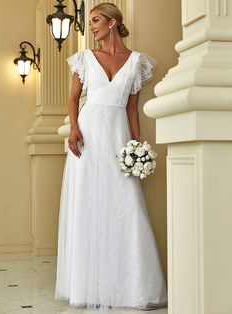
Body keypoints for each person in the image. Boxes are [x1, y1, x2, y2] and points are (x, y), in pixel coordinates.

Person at [54, 2, 167, 312]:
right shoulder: (85, 59)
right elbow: (74, 98)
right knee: (88, 203)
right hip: (88, 135)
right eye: (90, 21)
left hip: (117, 137)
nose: (91, 27)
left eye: (95, 20)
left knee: (127, 205)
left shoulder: (137, 62)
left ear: (113, 23)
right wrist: (74, 129)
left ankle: (132, 286)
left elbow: (132, 109)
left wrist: (137, 147)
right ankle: (87, 285)